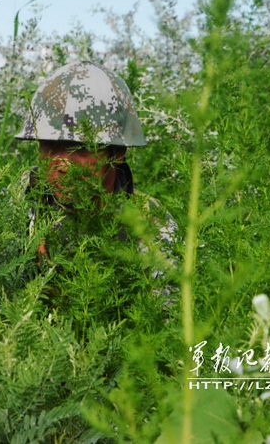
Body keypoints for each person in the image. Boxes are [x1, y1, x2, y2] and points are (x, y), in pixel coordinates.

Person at [15, 61, 177, 296]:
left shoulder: (149, 222)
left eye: (80, 149)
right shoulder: (19, 199)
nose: (62, 164)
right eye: (50, 146)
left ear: (117, 154)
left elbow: (168, 314)